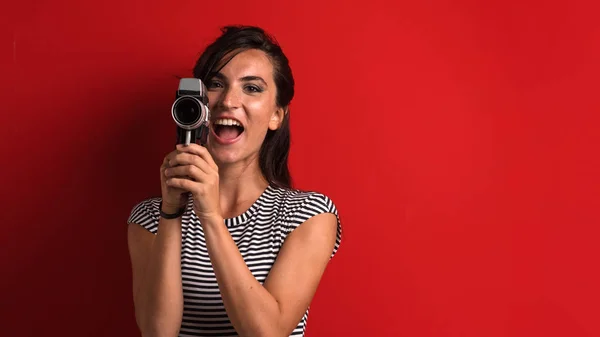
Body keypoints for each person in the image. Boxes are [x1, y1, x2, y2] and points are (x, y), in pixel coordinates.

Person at [126, 25, 343, 337]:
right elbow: (158, 332)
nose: (228, 100)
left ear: (276, 115)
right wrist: (171, 212)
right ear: (198, 105)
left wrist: (211, 216)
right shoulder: (149, 218)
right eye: (216, 84)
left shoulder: (308, 215)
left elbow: (267, 333)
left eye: (252, 88)